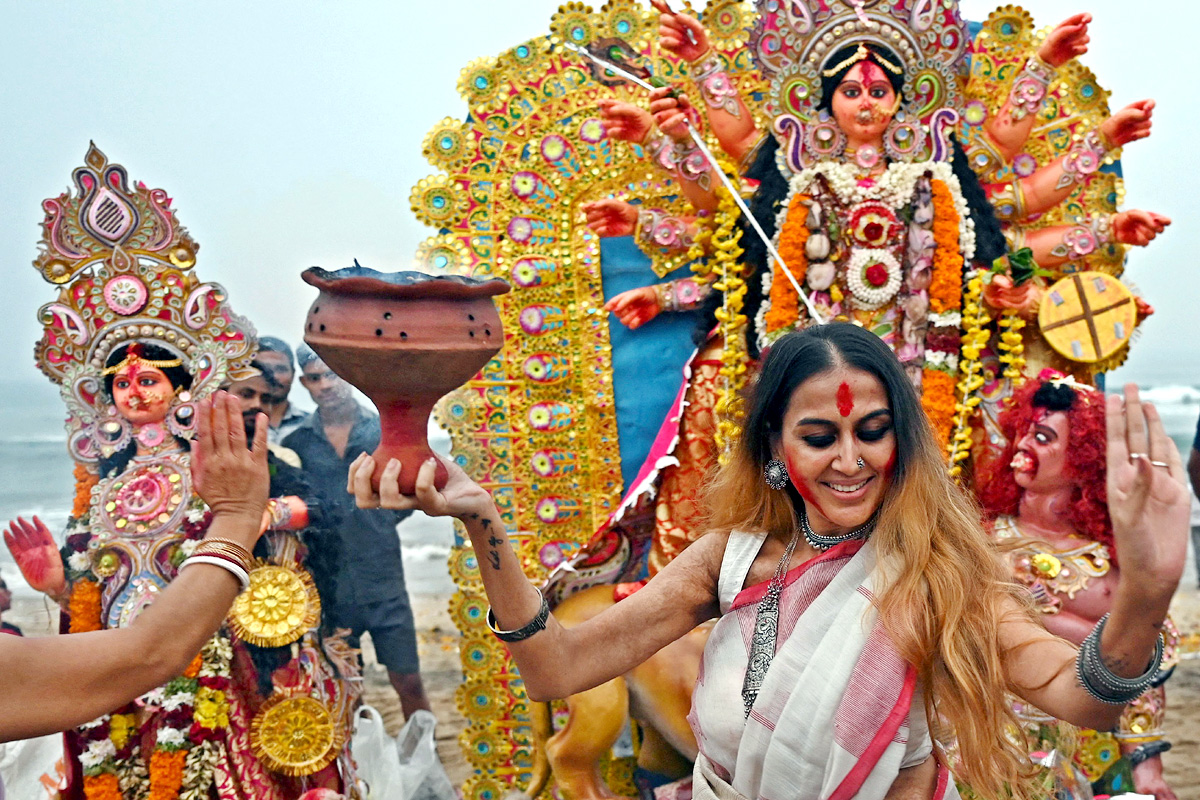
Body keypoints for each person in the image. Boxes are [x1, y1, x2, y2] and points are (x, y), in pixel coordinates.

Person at [351, 322, 1187, 800]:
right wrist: (483, 524)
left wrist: (1147, 593)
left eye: (872, 432)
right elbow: (557, 669)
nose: (851, 461)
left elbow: (1082, 699)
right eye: (820, 437)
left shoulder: (940, 572)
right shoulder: (730, 559)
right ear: (777, 450)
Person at [0, 394, 266, 743]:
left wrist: (59, 589)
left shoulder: (206, 467)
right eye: (123, 383)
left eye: (148, 381)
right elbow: (146, 649)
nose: (135, 394)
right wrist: (236, 515)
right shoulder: (106, 483)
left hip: (204, 655)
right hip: (142, 659)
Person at [978, 373, 1179, 798]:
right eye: (1022, 433)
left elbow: (1142, 663)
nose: (1022, 447)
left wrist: (1148, 766)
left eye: (1043, 437)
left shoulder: (1112, 559)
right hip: (993, 746)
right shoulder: (979, 538)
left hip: (1091, 749)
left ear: (1081, 459)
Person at [284, 344, 431, 718]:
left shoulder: (383, 434)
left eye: (332, 374)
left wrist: (377, 522)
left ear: (347, 375)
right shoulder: (295, 444)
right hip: (329, 588)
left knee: (409, 683)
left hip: (384, 582)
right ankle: (359, 774)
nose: (326, 385)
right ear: (305, 383)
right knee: (349, 688)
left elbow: (411, 490)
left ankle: (427, 771)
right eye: (315, 378)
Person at [256, 336, 309, 444]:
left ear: (293, 374)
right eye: (264, 369)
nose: (273, 376)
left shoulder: (312, 425)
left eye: (280, 369)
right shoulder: (236, 422)